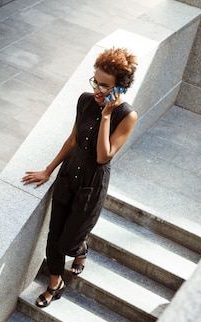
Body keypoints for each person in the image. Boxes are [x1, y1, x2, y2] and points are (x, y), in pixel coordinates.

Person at [22, 47, 138, 308]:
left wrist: (106, 115)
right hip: (68, 177)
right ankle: (55, 283)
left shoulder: (127, 115)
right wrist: (48, 170)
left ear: (120, 88)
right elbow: (73, 139)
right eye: (95, 81)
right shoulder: (84, 100)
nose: (98, 90)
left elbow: (102, 156)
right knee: (54, 238)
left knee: (69, 241)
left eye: (106, 86)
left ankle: (80, 249)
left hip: (91, 184)